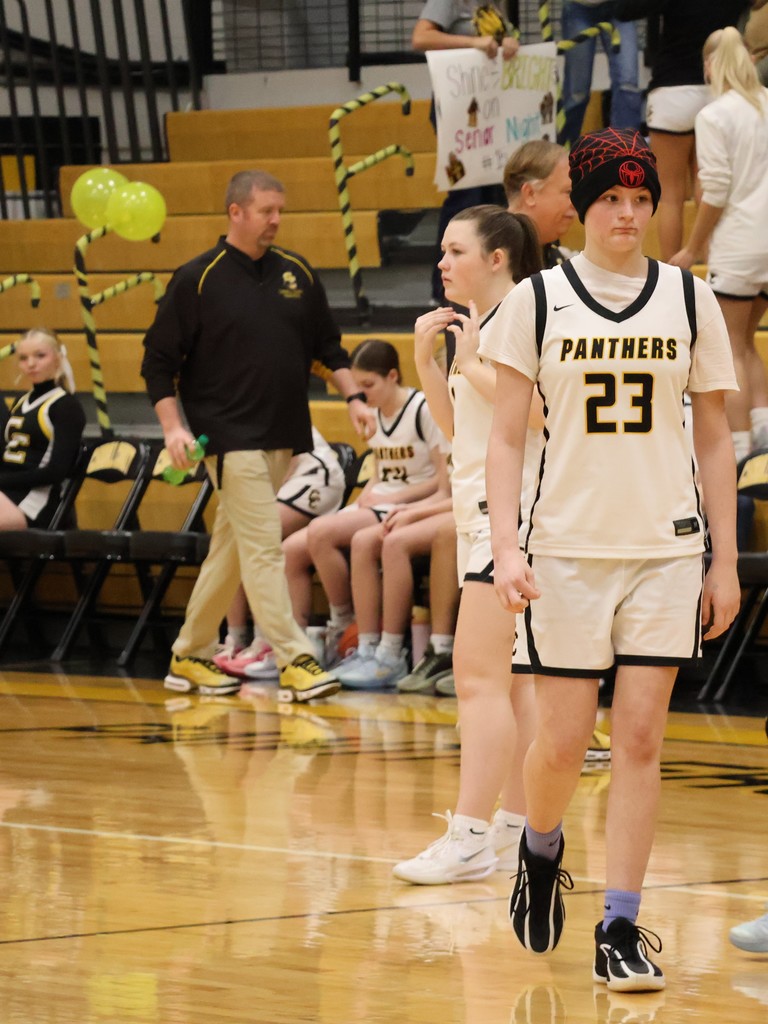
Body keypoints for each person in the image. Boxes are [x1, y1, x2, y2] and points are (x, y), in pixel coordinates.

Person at [480, 128, 739, 989]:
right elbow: (507, 438)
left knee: (639, 737)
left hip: (665, 549)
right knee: (559, 745)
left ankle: (621, 925)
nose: (627, 215)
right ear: (582, 209)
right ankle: (542, 847)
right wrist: (507, 548)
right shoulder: (538, 302)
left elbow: (713, 439)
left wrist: (724, 561)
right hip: (564, 552)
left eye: (640, 201)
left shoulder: (689, 300)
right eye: (610, 201)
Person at [141, 169, 374, 702]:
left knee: (231, 548)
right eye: (267, 210)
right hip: (226, 437)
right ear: (236, 212)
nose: (275, 221)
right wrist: (173, 427)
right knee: (265, 546)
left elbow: (329, 347)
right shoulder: (196, 279)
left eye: (280, 211)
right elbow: (157, 363)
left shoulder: (297, 273)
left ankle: (188, 653)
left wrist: (354, 397)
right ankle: (295, 660)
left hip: (283, 438)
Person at [393, 205, 542, 885]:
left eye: (455, 251)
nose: (442, 263)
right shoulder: (482, 327)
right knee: (513, 687)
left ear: (497, 258)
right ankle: (516, 828)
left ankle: (470, 835)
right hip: (487, 515)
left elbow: (537, 415)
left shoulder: (523, 315)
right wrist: (431, 364)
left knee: (480, 681)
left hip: (510, 524)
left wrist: (476, 359)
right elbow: (464, 431)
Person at [306, 339, 450, 680]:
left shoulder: (424, 409)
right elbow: (381, 471)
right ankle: (354, 638)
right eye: (358, 387)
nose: (363, 393)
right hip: (386, 499)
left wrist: (394, 502)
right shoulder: (369, 412)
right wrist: (368, 496)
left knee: (344, 537)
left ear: (393, 376)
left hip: (411, 502)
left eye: (368, 385)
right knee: (300, 544)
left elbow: (441, 483)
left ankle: (369, 640)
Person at [669, 27, 768, 461]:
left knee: (728, 346)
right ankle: (763, 436)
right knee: (747, 339)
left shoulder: (714, 116)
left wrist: (692, 247)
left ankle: (741, 453)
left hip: (740, 241)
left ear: (710, 65)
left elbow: (717, 189)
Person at [614, 0, 749, 261]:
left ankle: (672, 273)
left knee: (670, 195)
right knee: (708, 186)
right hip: (716, 89)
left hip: (672, 90)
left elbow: (624, 10)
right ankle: (712, 267)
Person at [213, 427, 347, 678]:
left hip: (311, 474)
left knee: (256, 538)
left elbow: (288, 457)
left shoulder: (261, 398)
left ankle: (272, 644)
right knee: (234, 540)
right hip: (280, 477)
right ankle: (237, 641)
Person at [412, 1, 520, 305]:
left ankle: (485, 284)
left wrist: (508, 44)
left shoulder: (496, 5)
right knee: (466, 196)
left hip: (489, 113)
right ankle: (445, 289)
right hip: (460, 109)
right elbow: (421, 37)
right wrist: (473, 43)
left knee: (493, 200)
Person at [0, 327, 85, 530]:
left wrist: (2, 481)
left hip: (37, 502)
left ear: (57, 358)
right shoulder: (21, 402)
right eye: (23, 358)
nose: (31, 364)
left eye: (40, 356)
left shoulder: (66, 406)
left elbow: (55, 472)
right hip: (7, 493)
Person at [559, 1, 644, 148]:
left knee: (628, 83)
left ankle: (625, 153)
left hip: (619, 8)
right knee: (577, 92)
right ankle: (566, 153)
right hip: (578, 7)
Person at [503, 138, 578, 267]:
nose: (576, 204)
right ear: (530, 194)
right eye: (568, 192)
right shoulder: (485, 258)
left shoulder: (563, 261)